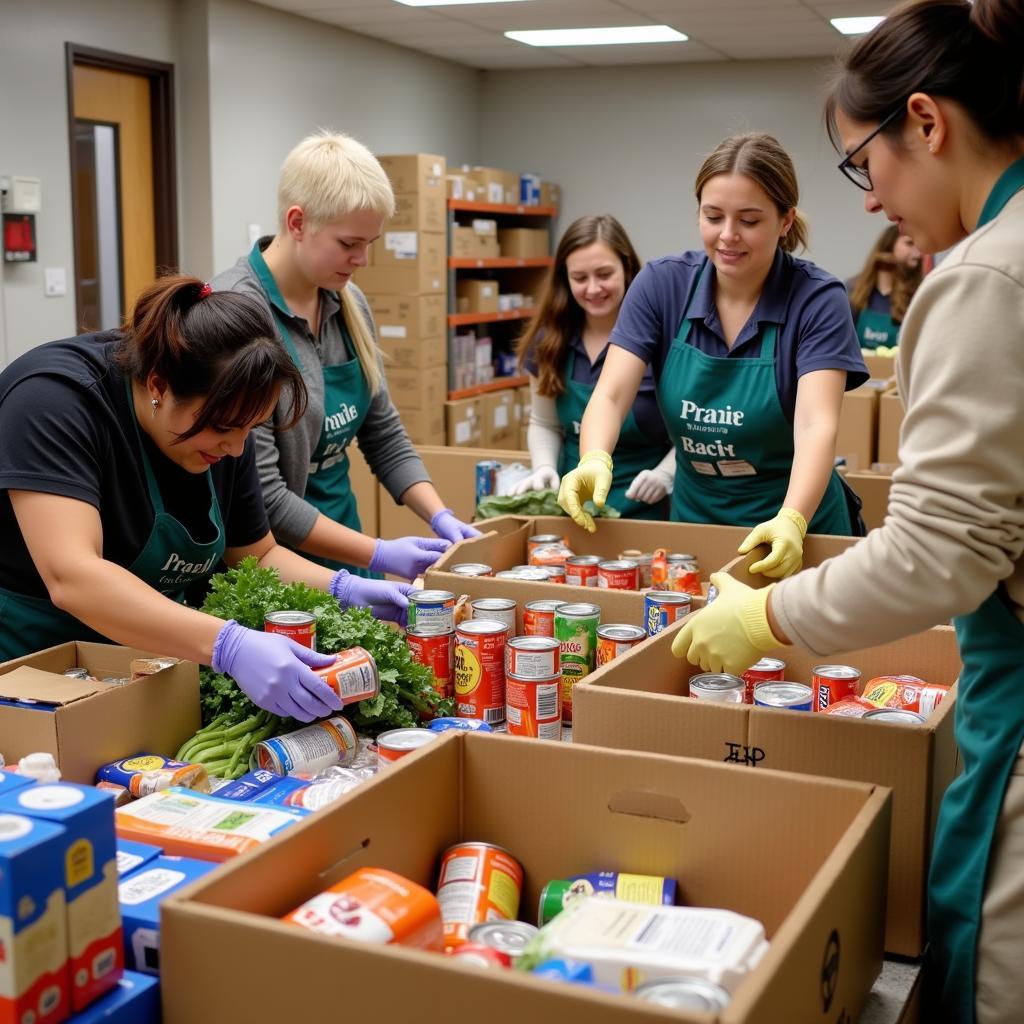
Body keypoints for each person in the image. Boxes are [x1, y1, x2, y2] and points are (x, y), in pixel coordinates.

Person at [671, 2, 1024, 1020]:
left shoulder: (986, 277)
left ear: (925, 122)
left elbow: (936, 557)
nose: (870, 202)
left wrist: (767, 618)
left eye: (860, 164)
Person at [0, 275, 416, 722]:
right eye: (222, 429)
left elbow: (256, 555)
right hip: (30, 667)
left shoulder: (228, 416)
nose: (236, 449)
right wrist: (228, 646)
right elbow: (74, 576)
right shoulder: (54, 400)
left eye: (249, 429)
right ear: (158, 386)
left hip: (141, 659)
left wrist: (345, 588)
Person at [558, 133, 868, 577]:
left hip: (797, 531)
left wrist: (793, 519)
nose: (727, 236)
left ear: (785, 221)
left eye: (749, 220)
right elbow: (609, 395)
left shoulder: (817, 299)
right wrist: (593, 457)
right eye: (713, 215)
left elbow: (816, 424)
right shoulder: (662, 286)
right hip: (695, 531)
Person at [213, 131, 478, 580]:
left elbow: (383, 433)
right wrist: (377, 553)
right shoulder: (238, 314)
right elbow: (265, 494)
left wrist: (439, 516)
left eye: (369, 243)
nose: (362, 260)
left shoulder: (347, 304)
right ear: (297, 222)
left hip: (346, 544)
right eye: (349, 243)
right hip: (275, 562)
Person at [512, 214, 675, 519]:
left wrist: (666, 474)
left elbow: (694, 431)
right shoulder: (550, 342)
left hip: (645, 508)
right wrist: (544, 466)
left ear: (627, 269)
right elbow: (545, 423)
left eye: (604, 274)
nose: (593, 288)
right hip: (573, 505)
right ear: (565, 279)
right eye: (580, 278)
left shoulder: (663, 341)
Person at [846, 224, 923, 349]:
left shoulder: (919, 294)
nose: (918, 253)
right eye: (909, 243)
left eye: (919, 246)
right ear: (889, 245)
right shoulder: (853, 290)